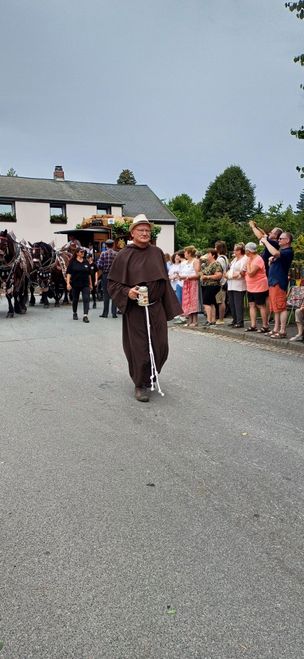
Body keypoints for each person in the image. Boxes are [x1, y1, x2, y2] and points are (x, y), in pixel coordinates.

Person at [107, 214, 182, 402]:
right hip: (136, 310)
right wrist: (127, 292)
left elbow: (164, 281)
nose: (145, 233)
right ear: (132, 233)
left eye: (147, 230)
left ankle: (152, 374)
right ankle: (140, 384)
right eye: (141, 230)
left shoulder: (157, 252)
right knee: (139, 348)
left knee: (161, 345)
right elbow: (112, 285)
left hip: (156, 308)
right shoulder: (124, 255)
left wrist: (169, 306)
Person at [260, 232, 294, 338]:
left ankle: (282, 330)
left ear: (287, 240)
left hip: (279, 282)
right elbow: (275, 257)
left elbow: (275, 253)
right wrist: (271, 261)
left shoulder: (288, 251)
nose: (278, 240)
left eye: (280, 239)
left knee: (281, 307)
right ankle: (276, 329)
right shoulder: (281, 251)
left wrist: (266, 241)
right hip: (273, 281)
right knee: (275, 307)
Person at [242, 242, 269, 333]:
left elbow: (251, 273)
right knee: (252, 305)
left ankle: (265, 326)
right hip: (251, 286)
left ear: (249, 251)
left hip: (259, 286)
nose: (245, 252)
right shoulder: (249, 259)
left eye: (246, 250)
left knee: (261, 305)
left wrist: (248, 265)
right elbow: (244, 271)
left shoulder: (258, 259)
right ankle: (253, 325)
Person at [66, 247, 93, 323]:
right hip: (75, 284)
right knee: (75, 299)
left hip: (85, 284)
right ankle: (75, 312)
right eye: (81, 252)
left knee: (86, 299)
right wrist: (68, 283)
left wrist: (90, 284)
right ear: (77, 253)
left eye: (83, 252)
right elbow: (68, 273)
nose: (83, 253)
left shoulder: (86, 262)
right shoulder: (72, 262)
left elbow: (89, 274)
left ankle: (85, 316)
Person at [224, 243, 247, 327]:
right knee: (232, 303)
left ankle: (240, 321)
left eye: (235, 250)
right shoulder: (234, 260)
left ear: (240, 251)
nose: (234, 251)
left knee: (238, 303)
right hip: (231, 284)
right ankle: (235, 319)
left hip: (239, 284)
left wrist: (230, 276)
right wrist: (227, 275)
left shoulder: (244, 259)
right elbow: (230, 270)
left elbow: (241, 273)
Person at [178, 246, 200, 327]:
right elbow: (183, 272)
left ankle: (195, 320)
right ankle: (190, 320)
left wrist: (187, 277)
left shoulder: (195, 261)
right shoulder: (186, 262)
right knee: (187, 301)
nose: (184, 254)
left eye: (185, 252)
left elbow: (197, 275)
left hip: (192, 283)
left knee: (193, 301)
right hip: (186, 283)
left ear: (189, 253)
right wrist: (181, 276)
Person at [200, 249, 223, 326]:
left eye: (208, 254)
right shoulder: (208, 264)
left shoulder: (216, 264)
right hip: (207, 285)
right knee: (212, 303)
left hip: (212, 285)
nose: (207, 255)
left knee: (206, 303)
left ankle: (209, 320)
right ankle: (213, 320)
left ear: (213, 255)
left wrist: (207, 277)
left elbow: (219, 275)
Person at [97, 238, 118, 318]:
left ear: (106, 245)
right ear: (113, 245)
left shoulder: (103, 254)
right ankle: (114, 313)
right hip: (115, 276)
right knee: (114, 294)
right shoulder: (117, 254)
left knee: (106, 294)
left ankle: (105, 313)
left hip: (106, 275)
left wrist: (103, 268)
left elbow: (99, 265)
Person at [215, 241, 229, 324]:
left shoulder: (220, 259)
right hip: (224, 281)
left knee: (221, 300)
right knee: (221, 300)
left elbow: (220, 270)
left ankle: (221, 318)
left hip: (221, 282)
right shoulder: (225, 257)